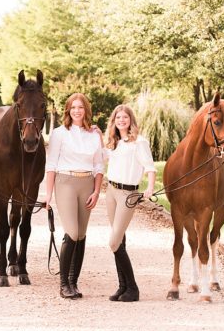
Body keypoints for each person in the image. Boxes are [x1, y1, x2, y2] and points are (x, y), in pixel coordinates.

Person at [43, 93, 104, 299]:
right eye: (73, 107)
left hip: (87, 183)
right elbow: (51, 164)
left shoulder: (95, 135)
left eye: (80, 107)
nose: (77, 111)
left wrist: (96, 191)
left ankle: (73, 283)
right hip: (65, 182)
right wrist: (48, 195)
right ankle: (63, 284)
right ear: (68, 110)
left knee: (82, 235)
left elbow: (98, 166)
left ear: (86, 110)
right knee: (72, 232)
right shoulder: (59, 133)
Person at [102, 104, 155, 302]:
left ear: (130, 120)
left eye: (125, 117)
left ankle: (133, 288)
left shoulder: (139, 142)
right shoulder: (113, 142)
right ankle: (122, 287)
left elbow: (150, 168)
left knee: (113, 241)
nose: (121, 120)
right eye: (118, 118)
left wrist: (149, 188)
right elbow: (100, 158)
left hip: (127, 194)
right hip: (111, 192)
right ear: (114, 121)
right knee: (120, 241)